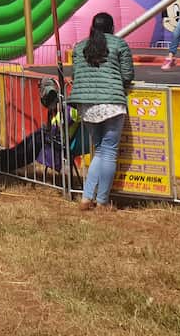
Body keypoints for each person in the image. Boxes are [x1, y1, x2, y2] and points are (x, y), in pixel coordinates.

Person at [70, 12, 135, 211]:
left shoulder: (80, 46)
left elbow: (75, 74)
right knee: (108, 152)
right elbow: (127, 74)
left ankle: (87, 197)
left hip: (86, 104)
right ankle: (102, 201)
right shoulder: (119, 44)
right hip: (111, 102)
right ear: (111, 27)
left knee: (99, 149)